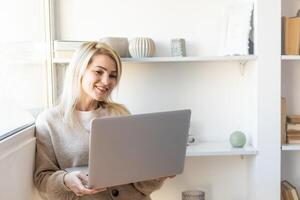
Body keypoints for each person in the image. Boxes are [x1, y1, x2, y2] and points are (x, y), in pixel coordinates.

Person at [34, 42, 173, 200]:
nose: (106, 81)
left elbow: (141, 184)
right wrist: (65, 181)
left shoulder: (120, 114)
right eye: (99, 72)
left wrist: (157, 173)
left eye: (112, 75)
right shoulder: (49, 121)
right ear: (79, 71)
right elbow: (42, 179)